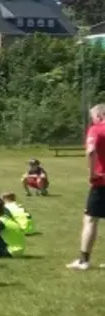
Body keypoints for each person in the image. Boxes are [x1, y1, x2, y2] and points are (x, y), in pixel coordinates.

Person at [68, 104, 105, 270]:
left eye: (93, 117)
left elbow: (91, 151)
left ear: (100, 116)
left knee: (90, 219)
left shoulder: (96, 129)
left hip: (102, 181)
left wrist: (92, 173)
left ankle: (84, 260)